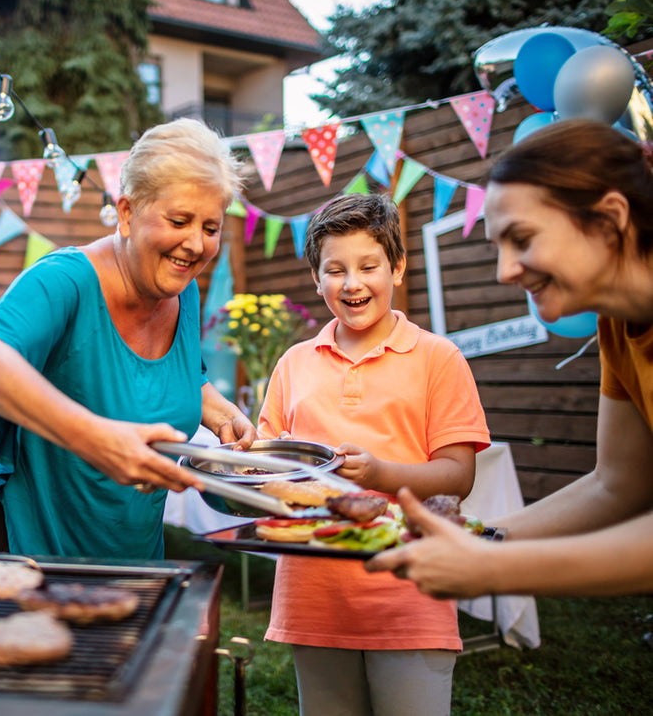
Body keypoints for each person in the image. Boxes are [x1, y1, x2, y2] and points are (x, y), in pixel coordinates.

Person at [367, 118, 653, 598]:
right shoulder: (618, 325)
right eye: (497, 247)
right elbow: (616, 484)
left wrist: (496, 570)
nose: (504, 271)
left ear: (609, 219)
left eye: (522, 239)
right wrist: (475, 538)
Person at [0, 118, 256, 560]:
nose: (194, 244)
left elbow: (168, 375)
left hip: (131, 545)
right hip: (29, 553)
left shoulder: (182, 290)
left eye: (210, 228)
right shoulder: (65, 281)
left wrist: (221, 412)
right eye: (179, 220)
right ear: (127, 212)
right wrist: (95, 439)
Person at [258, 192, 490, 716]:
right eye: (335, 270)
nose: (352, 283)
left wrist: (382, 473)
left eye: (369, 266)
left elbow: (458, 476)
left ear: (398, 267)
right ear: (317, 280)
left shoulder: (439, 358)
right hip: (313, 595)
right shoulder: (294, 363)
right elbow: (268, 463)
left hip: (411, 591)